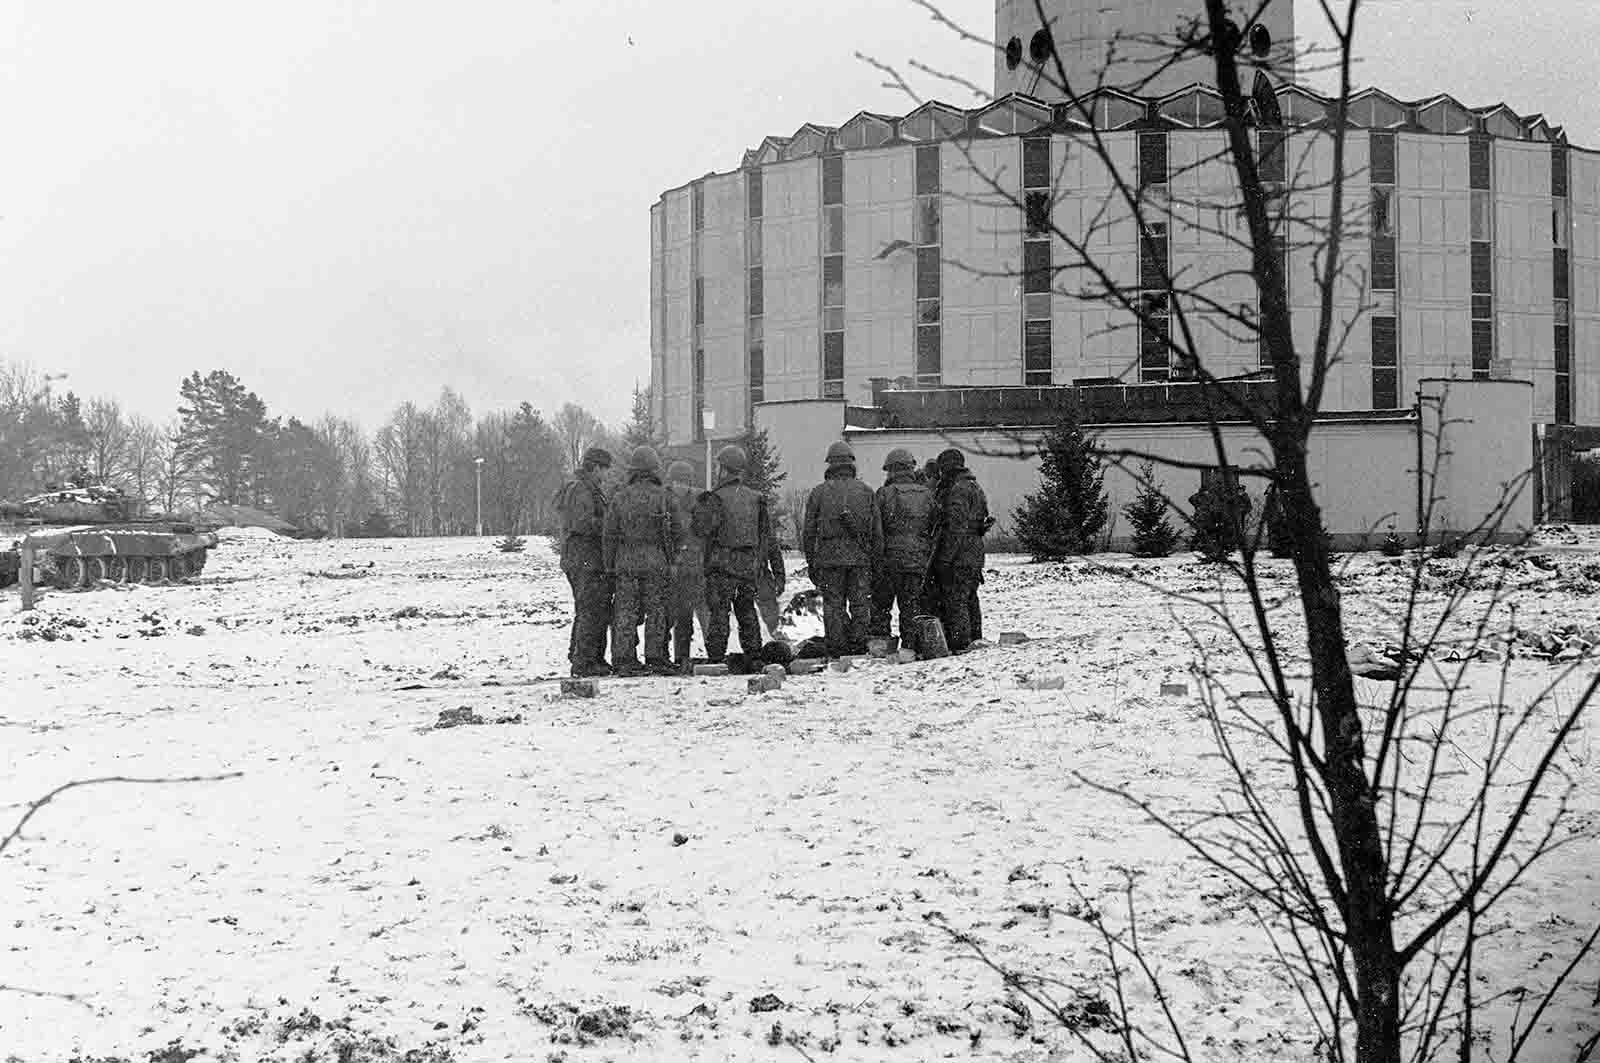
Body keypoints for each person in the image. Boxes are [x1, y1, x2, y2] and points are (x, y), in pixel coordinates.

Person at [602, 446, 682, 677]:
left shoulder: (620, 497)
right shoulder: (665, 496)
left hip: (625, 561)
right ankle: (656, 657)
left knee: (625, 610)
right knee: (656, 610)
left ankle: (623, 659)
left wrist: (609, 565)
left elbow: (609, 534)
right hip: (656, 561)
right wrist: (674, 559)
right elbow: (678, 532)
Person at [803, 441, 883, 657]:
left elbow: (809, 532)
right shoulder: (866, 491)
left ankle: (837, 648)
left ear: (830, 464)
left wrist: (812, 562)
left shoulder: (819, 493)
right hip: (860, 558)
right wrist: (876, 561)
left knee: (833, 606)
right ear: (851, 464)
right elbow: (877, 533)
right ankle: (858, 646)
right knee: (859, 605)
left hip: (829, 559)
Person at [692, 445, 770, 665]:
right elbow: (765, 535)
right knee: (747, 610)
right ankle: (754, 655)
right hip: (748, 565)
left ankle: (716, 657)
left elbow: (702, 531)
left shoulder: (713, 498)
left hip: (721, 566)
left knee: (719, 612)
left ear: (723, 469)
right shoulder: (757, 498)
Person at [555, 447, 614, 677]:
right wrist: (609, 525)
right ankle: (584, 661)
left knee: (591, 608)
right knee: (590, 608)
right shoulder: (582, 490)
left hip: (583, 558)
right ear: (596, 467)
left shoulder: (585, 488)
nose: (607, 474)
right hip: (584, 558)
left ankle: (589, 657)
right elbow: (582, 523)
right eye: (605, 469)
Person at [870, 448, 936, 649]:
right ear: (911, 468)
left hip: (890, 559)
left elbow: (876, 531)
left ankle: (882, 646)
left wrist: (876, 560)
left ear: (890, 470)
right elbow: (934, 526)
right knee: (911, 606)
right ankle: (911, 647)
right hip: (918, 560)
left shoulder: (883, 494)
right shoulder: (927, 494)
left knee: (881, 606)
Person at [931, 447, 991, 653]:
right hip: (974, 550)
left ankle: (961, 644)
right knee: (970, 597)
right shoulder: (975, 486)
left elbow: (955, 528)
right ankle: (975, 639)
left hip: (961, 552)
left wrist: (945, 559)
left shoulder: (958, 490)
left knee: (956, 599)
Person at [665, 460, 711, 672]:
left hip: (698, 567)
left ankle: (714, 653)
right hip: (676, 568)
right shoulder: (663, 500)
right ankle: (681, 657)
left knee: (705, 613)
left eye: (684, 481)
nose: (680, 485)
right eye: (676, 481)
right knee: (681, 618)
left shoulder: (701, 500)